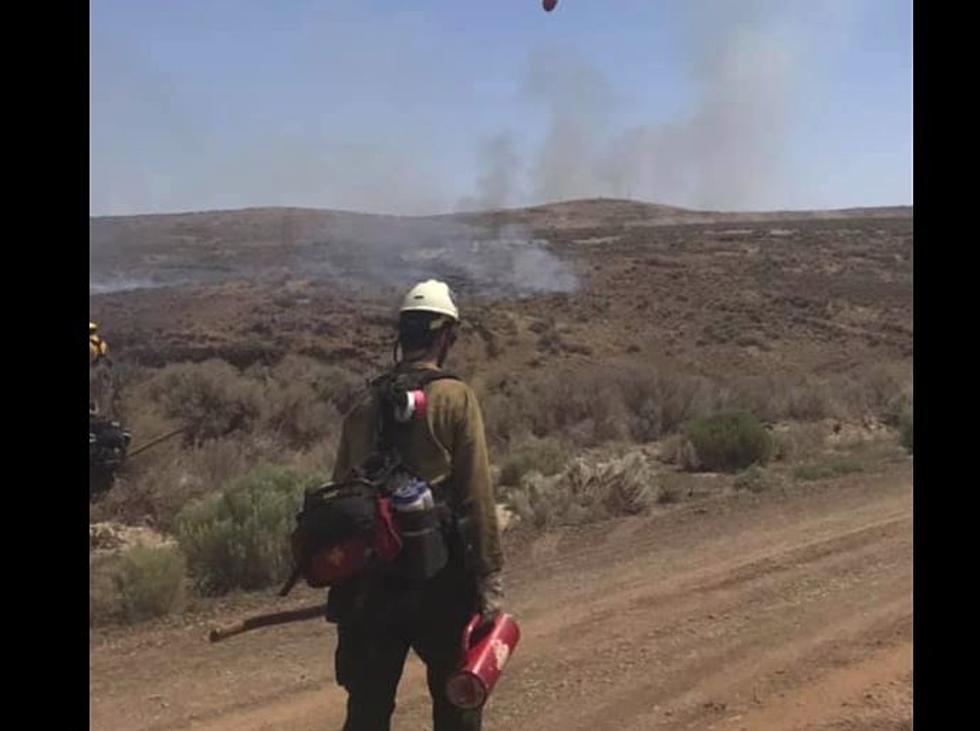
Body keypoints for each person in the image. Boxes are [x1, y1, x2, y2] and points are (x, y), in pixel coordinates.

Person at [327, 279, 504, 731]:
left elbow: (341, 491)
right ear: (446, 336)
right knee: (457, 705)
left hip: (371, 585)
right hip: (441, 584)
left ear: (402, 336)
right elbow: (476, 494)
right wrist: (488, 580)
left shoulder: (364, 404)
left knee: (366, 712)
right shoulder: (456, 399)